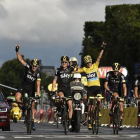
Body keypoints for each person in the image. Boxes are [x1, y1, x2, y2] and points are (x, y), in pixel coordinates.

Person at [75, 42, 107, 130]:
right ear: (86, 63)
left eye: (89, 62)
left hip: (97, 88)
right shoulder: (85, 69)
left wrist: (102, 49)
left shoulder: (95, 65)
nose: (89, 63)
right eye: (87, 63)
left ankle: (98, 111)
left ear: (91, 61)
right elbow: (77, 71)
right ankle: (89, 122)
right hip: (90, 89)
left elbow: (99, 57)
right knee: (89, 107)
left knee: (99, 100)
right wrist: (71, 68)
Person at [15, 44, 41, 131]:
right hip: (24, 86)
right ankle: (23, 108)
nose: (34, 67)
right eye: (33, 66)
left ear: (37, 67)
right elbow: (20, 60)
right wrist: (17, 51)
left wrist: (37, 94)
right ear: (31, 65)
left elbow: (38, 84)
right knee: (17, 97)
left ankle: (32, 122)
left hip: (31, 89)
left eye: (35, 66)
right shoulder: (28, 67)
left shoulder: (38, 73)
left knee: (32, 105)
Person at [51, 55, 76, 130]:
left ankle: (70, 121)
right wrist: (52, 90)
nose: (64, 63)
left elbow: (77, 69)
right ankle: (59, 109)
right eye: (62, 62)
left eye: (65, 62)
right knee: (61, 98)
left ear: (68, 63)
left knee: (70, 105)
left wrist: (74, 65)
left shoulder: (70, 68)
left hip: (68, 89)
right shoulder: (58, 70)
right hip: (61, 89)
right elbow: (55, 80)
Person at [104, 62, 127, 129]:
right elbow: (105, 85)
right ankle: (111, 109)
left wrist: (125, 95)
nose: (116, 72)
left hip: (120, 91)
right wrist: (109, 91)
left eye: (117, 71)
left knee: (121, 105)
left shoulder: (121, 75)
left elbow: (124, 86)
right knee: (115, 96)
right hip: (112, 90)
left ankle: (121, 122)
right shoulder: (109, 74)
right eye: (114, 71)